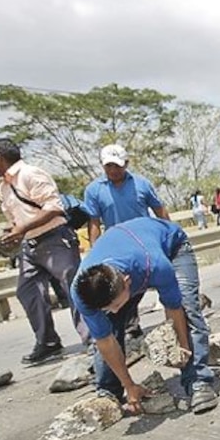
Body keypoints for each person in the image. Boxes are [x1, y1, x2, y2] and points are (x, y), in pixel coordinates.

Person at [71, 218, 218, 415]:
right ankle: (109, 392)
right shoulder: (82, 292)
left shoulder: (155, 265)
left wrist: (182, 346)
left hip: (172, 247)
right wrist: (129, 384)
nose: (114, 311)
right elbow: (105, 341)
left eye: (115, 305)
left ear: (127, 282)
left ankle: (197, 381)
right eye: (108, 308)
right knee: (110, 327)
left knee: (187, 308)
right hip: (129, 250)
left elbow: (174, 309)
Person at [0, 138, 91, 365]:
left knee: (73, 288)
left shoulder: (31, 174)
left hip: (54, 239)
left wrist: (24, 227)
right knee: (27, 291)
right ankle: (48, 342)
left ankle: (93, 339)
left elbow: (54, 207)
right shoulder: (4, 186)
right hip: (29, 244)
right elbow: (17, 217)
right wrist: (12, 234)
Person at [84, 143, 171, 340]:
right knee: (124, 287)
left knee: (159, 280)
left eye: (117, 166)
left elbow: (159, 209)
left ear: (126, 164)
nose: (113, 170)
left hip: (144, 242)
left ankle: (177, 314)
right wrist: (95, 250)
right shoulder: (94, 190)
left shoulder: (141, 184)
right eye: (109, 166)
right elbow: (94, 222)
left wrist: (169, 233)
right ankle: (129, 327)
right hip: (116, 246)